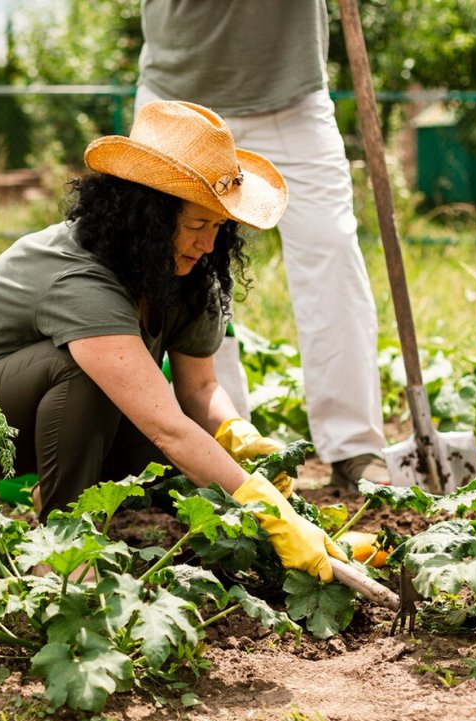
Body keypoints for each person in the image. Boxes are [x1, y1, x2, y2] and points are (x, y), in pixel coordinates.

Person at [0, 100, 346, 582]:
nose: (209, 244)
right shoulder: (80, 278)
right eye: (195, 225)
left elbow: (200, 389)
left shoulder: (186, 269)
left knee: (179, 448)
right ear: (146, 217)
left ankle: (60, 488)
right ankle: (63, 551)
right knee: (97, 380)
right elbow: (167, 424)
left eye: (219, 226)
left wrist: (235, 434)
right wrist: (268, 513)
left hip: (39, 414)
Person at [138, 0, 391, 491]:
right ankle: (220, 448)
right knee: (188, 262)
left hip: (292, 96)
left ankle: (354, 444)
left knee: (332, 248)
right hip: (179, 97)